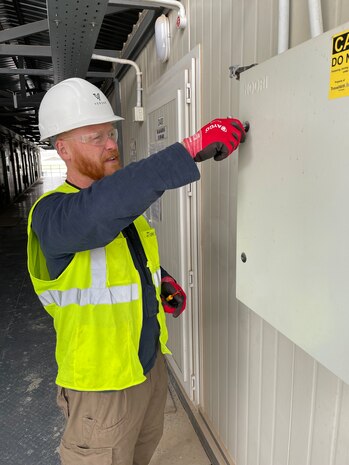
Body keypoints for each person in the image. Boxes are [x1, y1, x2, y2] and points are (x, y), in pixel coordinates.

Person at [27, 77, 246, 465]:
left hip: (146, 366)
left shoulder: (120, 208)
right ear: (63, 149)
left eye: (110, 133)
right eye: (95, 137)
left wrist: (159, 281)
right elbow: (96, 215)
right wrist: (187, 151)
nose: (111, 144)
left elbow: (125, 261)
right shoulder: (52, 216)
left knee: (142, 452)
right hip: (100, 388)